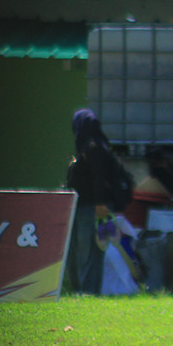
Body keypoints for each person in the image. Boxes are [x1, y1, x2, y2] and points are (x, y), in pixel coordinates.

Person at [65, 108, 114, 294]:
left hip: (92, 207)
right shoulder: (84, 147)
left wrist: (100, 203)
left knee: (90, 251)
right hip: (80, 206)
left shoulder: (94, 147)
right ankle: (77, 288)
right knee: (78, 250)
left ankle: (88, 290)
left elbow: (99, 177)